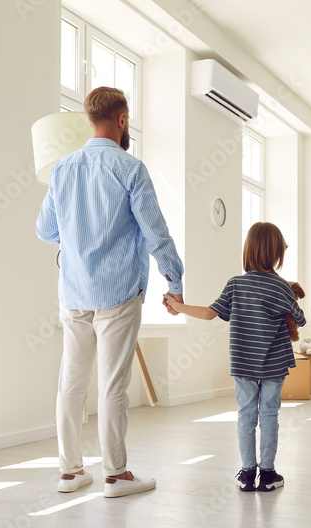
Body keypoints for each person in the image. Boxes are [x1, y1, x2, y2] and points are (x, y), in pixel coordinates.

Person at [36, 87, 184, 498]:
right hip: (118, 292)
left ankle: (70, 473)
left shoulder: (61, 169)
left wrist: (78, 231)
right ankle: (116, 476)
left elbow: (44, 229)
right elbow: (157, 234)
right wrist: (175, 282)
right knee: (112, 385)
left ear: (89, 118)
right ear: (122, 120)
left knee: (71, 382)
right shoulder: (130, 169)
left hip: (73, 294)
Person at [164, 222, 304, 492]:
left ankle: (247, 474)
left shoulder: (235, 285)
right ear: (277, 254)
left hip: (243, 364)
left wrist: (177, 306)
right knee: (270, 415)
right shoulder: (282, 287)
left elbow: (208, 313)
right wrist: (289, 297)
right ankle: (269, 474)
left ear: (248, 250)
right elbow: (300, 318)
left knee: (246, 415)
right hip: (274, 365)